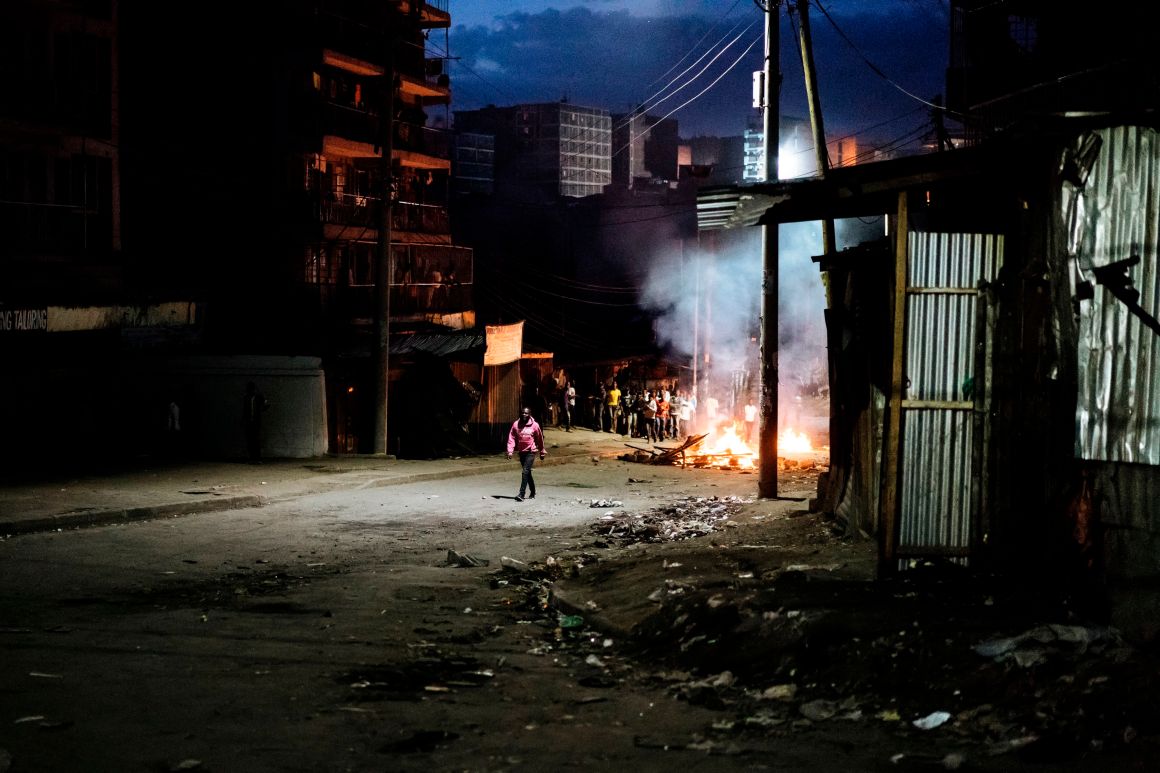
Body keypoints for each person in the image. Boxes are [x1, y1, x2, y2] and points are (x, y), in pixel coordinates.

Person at [505, 406, 546, 501]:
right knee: (527, 473)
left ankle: (521, 494)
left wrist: (542, 452)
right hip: (521, 452)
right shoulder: (516, 424)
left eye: (526, 413)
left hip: (531, 451)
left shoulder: (535, 425)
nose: (524, 414)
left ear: (529, 414)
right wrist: (510, 451)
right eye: (523, 412)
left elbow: (540, 439)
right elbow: (511, 438)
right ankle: (533, 491)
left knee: (525, 472)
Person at [242, 381, 269, 463]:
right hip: (250, 421)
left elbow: (266, 405)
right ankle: (253, 457)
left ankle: (256, 458)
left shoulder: (256, 396)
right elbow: (245, 410)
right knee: (251, 439)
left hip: (255, 421)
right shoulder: (247, 397)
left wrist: (263, 407)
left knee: (255, 439)